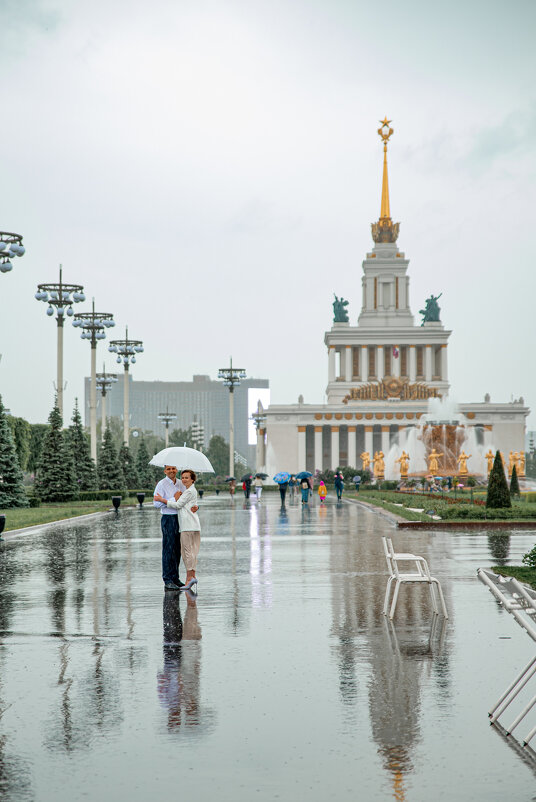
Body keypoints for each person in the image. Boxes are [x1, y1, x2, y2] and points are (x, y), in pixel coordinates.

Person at [153, 464, 198, 592]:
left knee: (178, 549)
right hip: (168, 519)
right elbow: (156, 503)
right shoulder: (161, 484)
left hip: (181, 519)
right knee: (168, 549)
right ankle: (168, 580)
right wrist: (173, 498)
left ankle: (175, 578)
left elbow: (188, 498)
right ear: (165, 471)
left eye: (173, 469)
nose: (171, 471)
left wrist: (196, 506)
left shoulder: (181, 483)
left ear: (176, 470)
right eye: (168, 469)